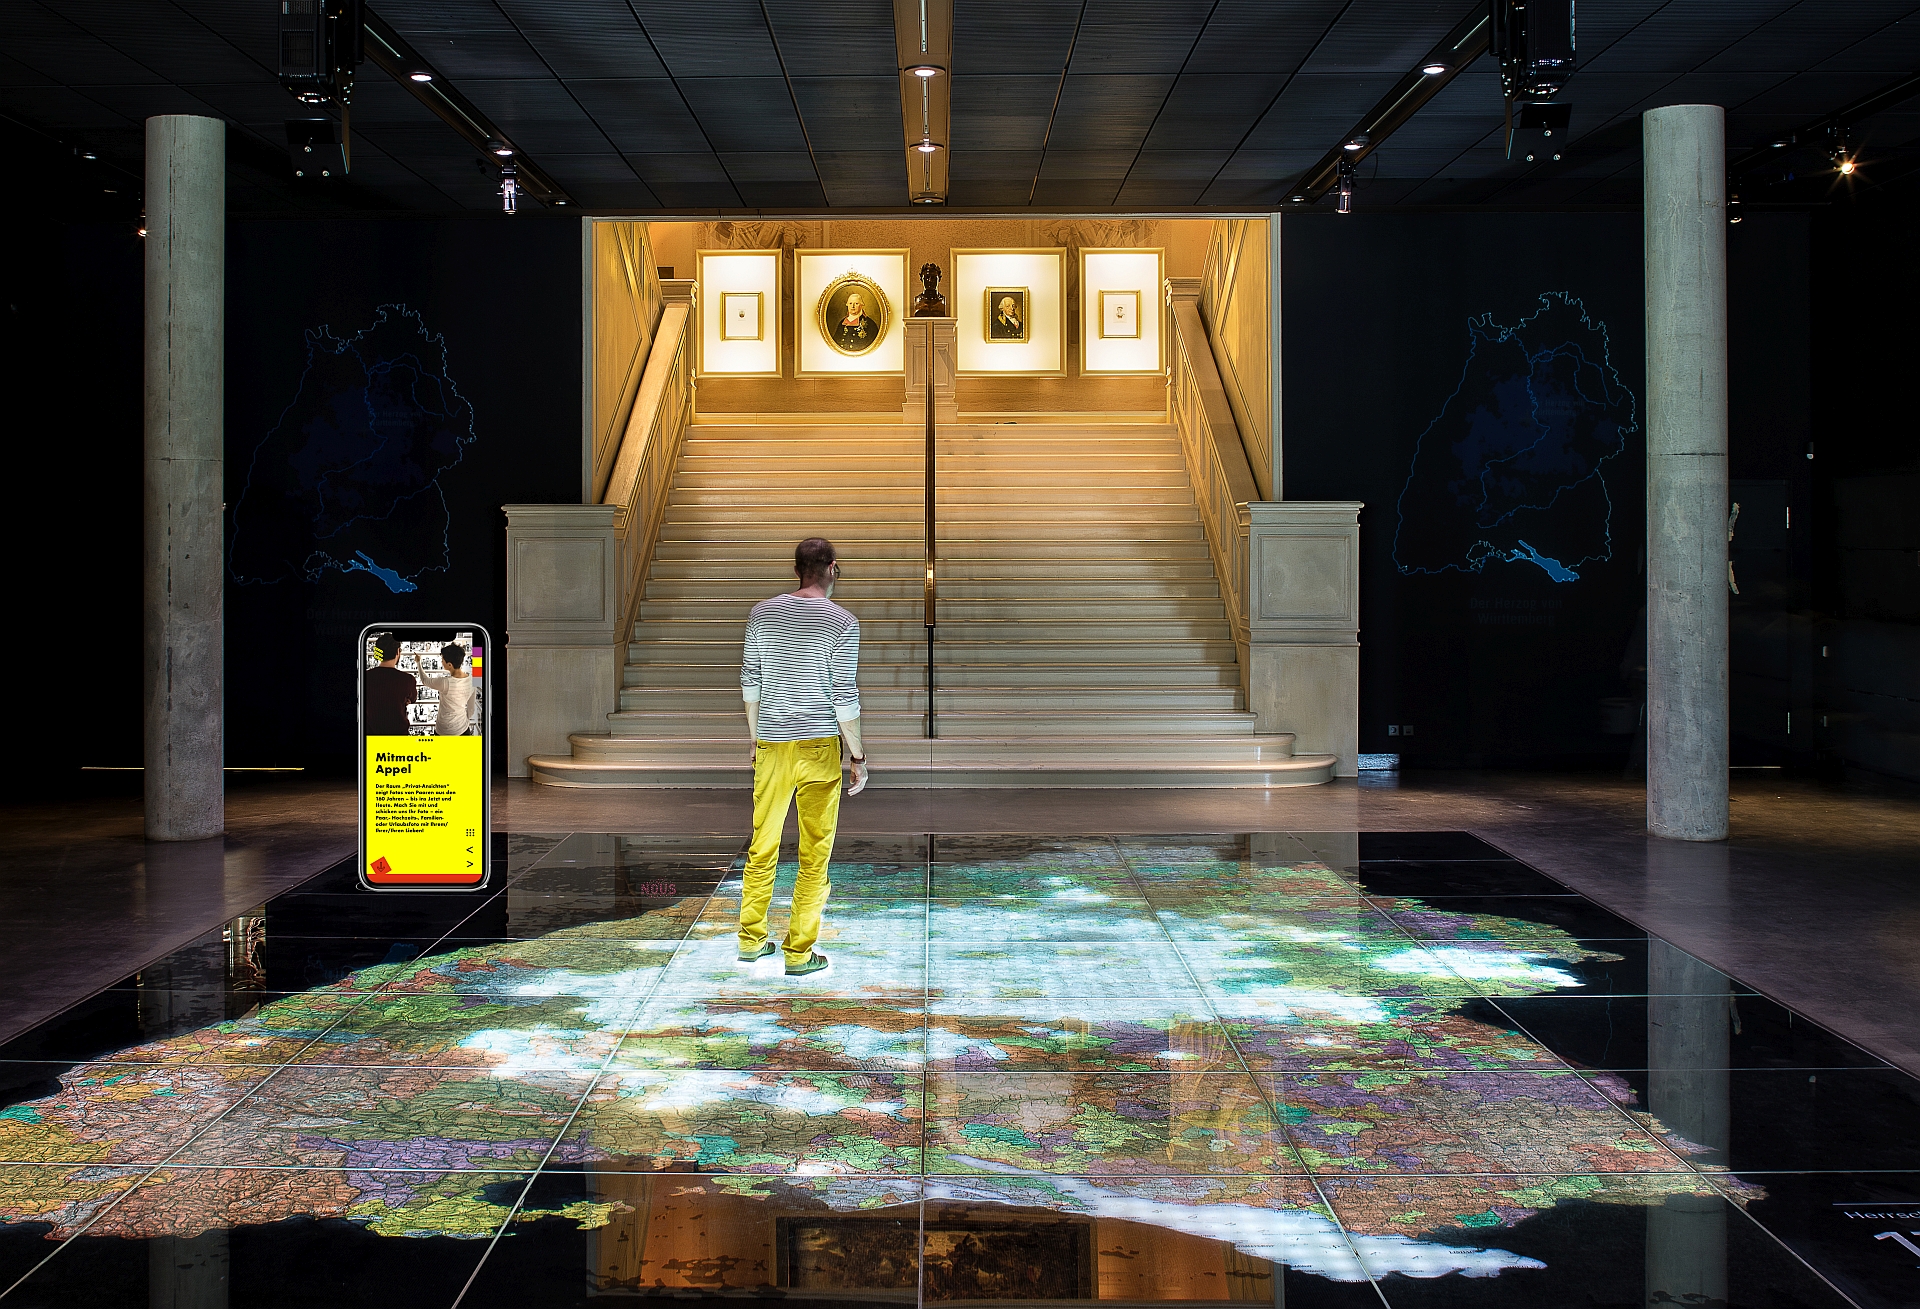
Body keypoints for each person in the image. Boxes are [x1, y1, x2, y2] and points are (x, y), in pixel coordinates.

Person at [738, 537, 869, 977]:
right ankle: (798, 953)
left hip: (773, 743)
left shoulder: (761, 613)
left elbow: (751, 683)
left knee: (762, 844)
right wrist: (857, 755)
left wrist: (755, 738)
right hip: (818, 745)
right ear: (832, 568)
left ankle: (751, 940)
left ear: (797, 570)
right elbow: (843, 697)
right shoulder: (842, 621)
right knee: (815, 851)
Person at [363, 633, 419, 736]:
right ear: (398, 652)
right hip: (398, 736)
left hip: (371, 736)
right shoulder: (407, 679)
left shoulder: (365, 677)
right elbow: (413, 699)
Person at [429, 642, 478, 736]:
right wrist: (462, 721)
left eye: (442, 660)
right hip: (462, 730)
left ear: (449, 665)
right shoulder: (472, 680)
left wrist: (418, 662)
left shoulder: (445, 682)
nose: (441, 662)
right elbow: (471, 709)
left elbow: (425, 680)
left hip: (442, 731)